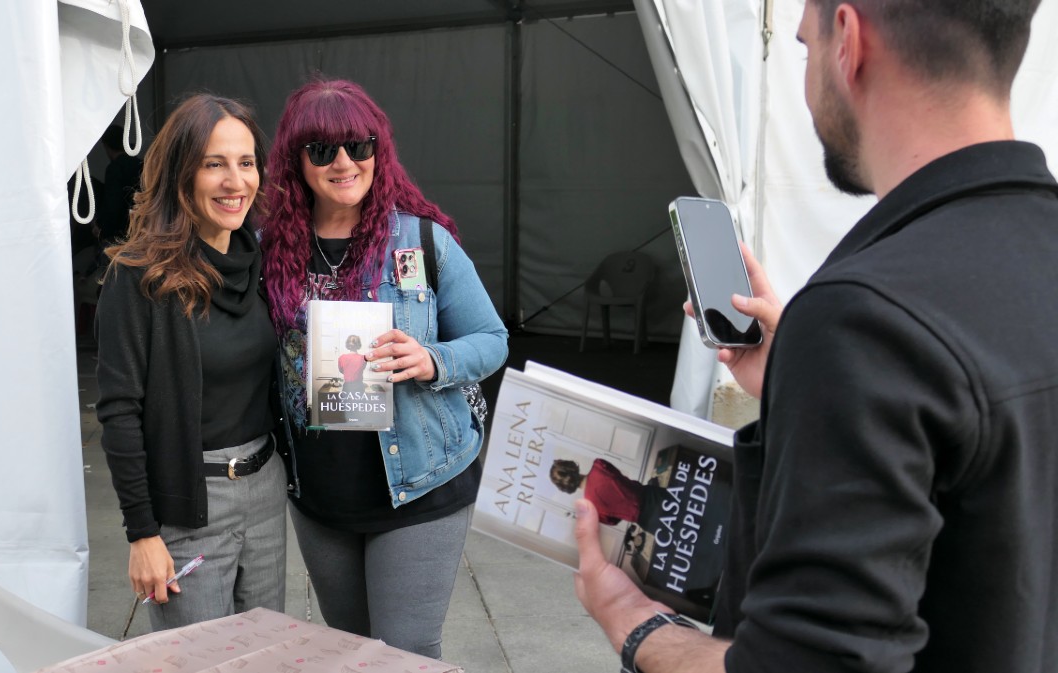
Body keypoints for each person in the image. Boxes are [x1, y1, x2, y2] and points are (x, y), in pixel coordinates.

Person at [574, 2, 1058, 672]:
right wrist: (800, 382)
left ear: (848, 41)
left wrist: (634, 624)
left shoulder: (863, 318)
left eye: (804, 46)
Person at [260, 77, 508, 659]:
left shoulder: (422, 242)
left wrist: (432, 359)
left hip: (420, 480)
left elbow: (492, 339)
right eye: (323, 149)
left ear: (379, 150)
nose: (344, 162)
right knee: (349, 652)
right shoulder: (270, 250)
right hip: (320, 495)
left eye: (359, 145)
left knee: (406, 653)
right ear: (296, 160)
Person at [95, 94, 288, 631]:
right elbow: (119, 411)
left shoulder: (262, 261)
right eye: (213, 164)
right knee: (198, 660)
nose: (235, 181)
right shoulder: (139, 276)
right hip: (189, 502)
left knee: (267, 654)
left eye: (246, 162)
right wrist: (142, 533)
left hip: (265, 489)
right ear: (181, 174)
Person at [550, 458, 644, 526]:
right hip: (646, 493)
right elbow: (622, 479)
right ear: (571, 465)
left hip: (642, 518)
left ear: (564, 487)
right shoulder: (599, 465)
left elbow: (613, 521)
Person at [97, 124, 144, 247]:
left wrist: (103, 231)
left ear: (106, 146)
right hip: (141, 230)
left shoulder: (115, 169)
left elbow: (113, 205)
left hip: (121, 234)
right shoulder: (141, 164)